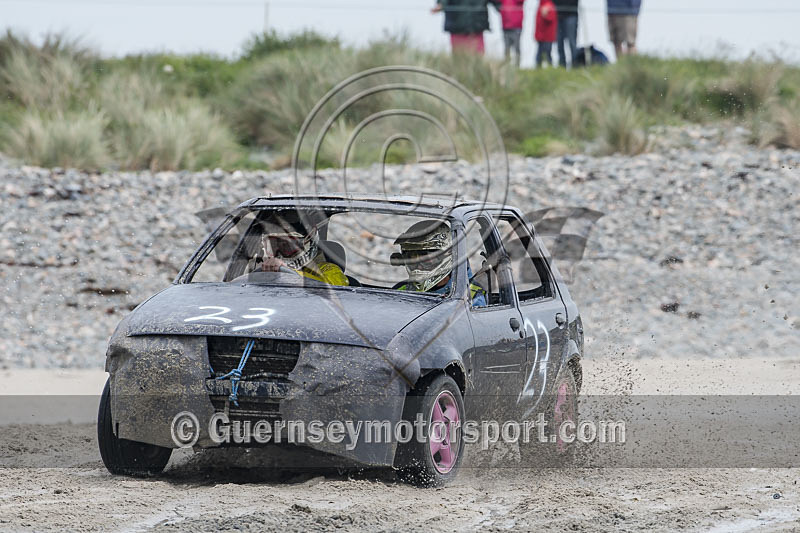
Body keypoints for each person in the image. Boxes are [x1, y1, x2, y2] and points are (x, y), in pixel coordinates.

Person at [393, 220, 487, 307]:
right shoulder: (401, 290)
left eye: (426, 259)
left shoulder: (471, 297)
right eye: (412, 258)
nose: (419, 266)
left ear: (448, 254)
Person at [259, 222, 349, 286]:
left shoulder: (328, 269)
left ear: (308, 243)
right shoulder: (266, 272)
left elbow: (337, 286)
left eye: (286, 245)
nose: (279, 253)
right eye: (273, 245)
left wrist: (289, 273)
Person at [432, 0, 500, 56]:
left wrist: (506, 8)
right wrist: (440, 5)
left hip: (476, 28)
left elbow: (499, 4)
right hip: (458, 27)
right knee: (459, 59)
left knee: (478, 58)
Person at [553, 0, 579, 68]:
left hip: (571, 13)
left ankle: (575, 65)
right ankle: (562, 66)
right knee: (559, 42)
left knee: (572, 42)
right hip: (557, 13)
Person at [499, 0, 525, 67]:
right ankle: (507, 66)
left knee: (516, 47)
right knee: (507, 48)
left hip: (516, 25)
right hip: (505, 25)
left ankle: (517, 66)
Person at [534, 0, 557, 67]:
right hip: (540, 37)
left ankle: (549, 68)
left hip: (548, 37)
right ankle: (538, 69)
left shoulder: (549, 4)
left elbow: (551, 18)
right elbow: (538, 23)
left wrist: (546, 15)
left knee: (547, 54)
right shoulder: (540, 4)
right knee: (539, 55)